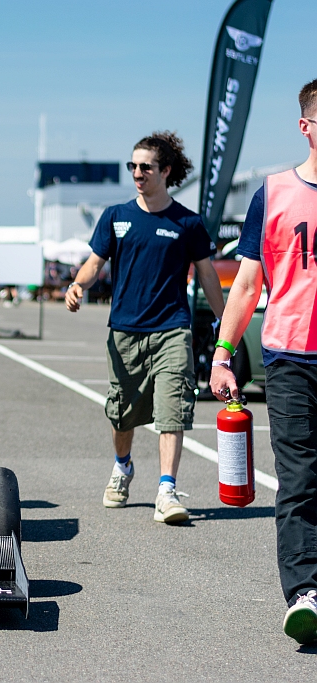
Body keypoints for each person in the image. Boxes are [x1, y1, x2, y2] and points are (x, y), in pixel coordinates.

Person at [65, 131, 224, 524]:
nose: (137, 172)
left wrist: (226, 324)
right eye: (132, 165)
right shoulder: (116, 217)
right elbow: (94, 262)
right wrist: (77, 285)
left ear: (165, 171)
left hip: (172, 329)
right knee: (122, 415)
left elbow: (207, 275)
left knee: (172, 412)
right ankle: (123, 467)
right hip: (124, 331)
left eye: (145, 166)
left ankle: (167, 491)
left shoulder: (188, 223)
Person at [211, 78, 317, 644]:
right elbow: (248, 282)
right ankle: (305, 592)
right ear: (306, 127)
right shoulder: (273, 193)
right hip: (291, 356)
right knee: (299, 481)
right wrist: (224, 353)